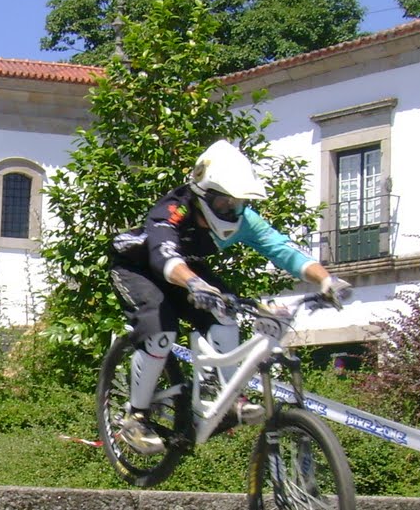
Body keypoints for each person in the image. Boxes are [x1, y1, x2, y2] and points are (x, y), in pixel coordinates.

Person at [108, 139, 349, 454]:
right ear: (204, 195)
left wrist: (326, 280)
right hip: (139, 267)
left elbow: (283, 249)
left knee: (225, 311)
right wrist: (194, 284)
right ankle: (136, 416)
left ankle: (226, 395)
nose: (232, 209)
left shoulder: (244, 220)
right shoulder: (174, 209)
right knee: (160, 329)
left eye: (238, 203)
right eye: (224, 203)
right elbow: (164, 253)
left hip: (188, 271)